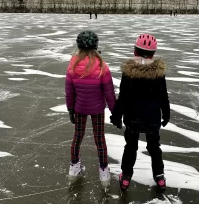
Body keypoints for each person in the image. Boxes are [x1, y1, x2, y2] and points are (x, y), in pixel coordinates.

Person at [110, 34, 170, 191]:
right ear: (153, 54)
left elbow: (123, 97)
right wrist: (166, 113)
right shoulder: (158, 73)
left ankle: (126, 177)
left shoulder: (129, 72)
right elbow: (163, 96)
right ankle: (160, 176)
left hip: (133, 117)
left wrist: (116, 116)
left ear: (135, 51)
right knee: (154, 147)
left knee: (131, 146)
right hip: (152, 119)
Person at [65, 30, 116, 188]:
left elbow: (69, 91)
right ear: (95, 46)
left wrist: (71, 110)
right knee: (99, 140)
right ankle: (103, 171)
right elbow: (109, 93)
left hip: (80, 108)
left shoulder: (72, 65)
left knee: (77, 138)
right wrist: (115, 112)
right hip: (97, 110)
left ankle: (74, 168)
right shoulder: (102, 66)